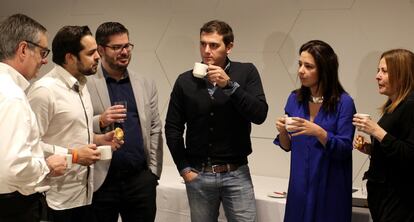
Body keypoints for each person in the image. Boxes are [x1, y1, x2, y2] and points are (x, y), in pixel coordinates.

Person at [165, 20, 268, 222]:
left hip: (236, 172)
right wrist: (183, 168)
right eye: (203, 44)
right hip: (198, 174)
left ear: (229, 47)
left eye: (214, 45)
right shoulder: (185, 81)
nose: (206, 50)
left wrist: (229, 86)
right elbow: (173, 128)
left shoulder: (246, 72)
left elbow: (260, 115)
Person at [27, 25, 121, 222]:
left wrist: (100, 139)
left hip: (85, 195)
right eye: (91, 52)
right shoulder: (44, 91)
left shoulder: (82, 85)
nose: (98, 56)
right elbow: (29, 146)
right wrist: (76, 156)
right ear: (70, 58)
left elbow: (70, 132)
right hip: (55, 200)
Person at [86, 22, 163, 222]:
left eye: (127, 46)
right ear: (101, 50)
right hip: (102, 181)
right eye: (117, 47)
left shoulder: (145, 83)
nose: (124, 51)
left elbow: (155, 128)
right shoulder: (86, 84)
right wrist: (100, 121)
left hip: (140, 180)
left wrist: (153, 173)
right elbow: (77, 126)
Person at [274, 40, 355, 222]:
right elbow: (287, 146)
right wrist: (282, 131)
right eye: (300, 64)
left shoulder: (344, 103)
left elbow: (343, 148)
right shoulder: (295, 99)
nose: (301, 71)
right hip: (299, 187)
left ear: (324, 70)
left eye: (308, 66)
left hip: (330, 188)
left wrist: (319, 132)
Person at [0, 14, 66, 222]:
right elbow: (13, 167)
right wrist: (47, 166)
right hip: (13, 207)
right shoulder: (13, 96)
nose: (45, 60)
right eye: (42, 51)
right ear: (22, 50)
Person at [353, 49, 414, 221]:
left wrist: (375, 130)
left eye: (384, 71)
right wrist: (372, 149)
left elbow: (410, 154)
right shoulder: (395, 105)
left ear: (402, 74)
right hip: (385, 198)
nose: (377, 76)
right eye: (378, 70)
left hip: (400, 201)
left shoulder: (410, 106)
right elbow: (396, 151)